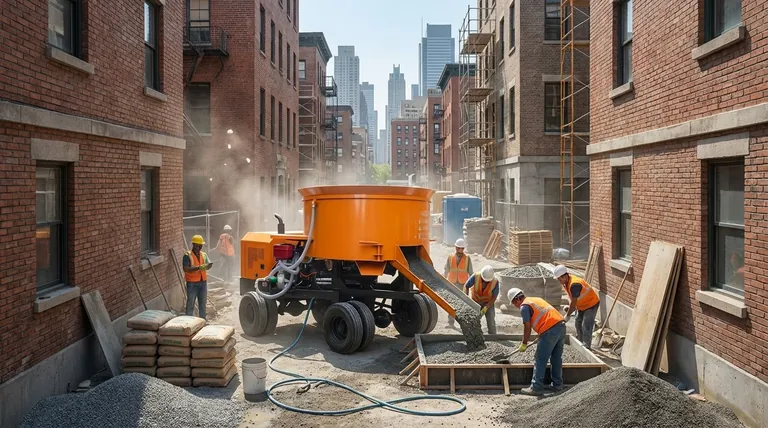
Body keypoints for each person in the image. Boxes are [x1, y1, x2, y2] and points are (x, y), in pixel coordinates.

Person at [508, 287, 566, 395]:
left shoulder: (524, 307)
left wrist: (524, 343)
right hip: (561, 326)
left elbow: (527, 327)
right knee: (556, 358)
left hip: (550, 331)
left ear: (517, 300)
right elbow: (545, 317)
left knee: (540, 358)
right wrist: (541, 334)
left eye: (514, 304)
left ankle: (536, 387)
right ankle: (558, 385)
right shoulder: (534, 300)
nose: (516, 306)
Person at [553, 265, 600, 350]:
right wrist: (570, 307)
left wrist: (567, 315)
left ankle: (586, 347)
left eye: (559, 279)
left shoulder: (575, 284)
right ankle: (580, 342)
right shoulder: (567, 282)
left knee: (586, 325)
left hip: (591, 304)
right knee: (578, 323)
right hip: (582, 305)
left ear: (565, 276)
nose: (559, 281)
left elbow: (574, 302)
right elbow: (573, 299)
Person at [444, 238, 473, 327]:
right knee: (451, 303)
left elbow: (471, 273)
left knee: (463, 303)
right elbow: (446, 270)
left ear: (463, 249)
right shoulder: (450, 257)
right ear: (455, 247)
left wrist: (472, 286)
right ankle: (451, 323)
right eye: (458, 248)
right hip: (452, 283)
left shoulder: (467, 258)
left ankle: (463, 324)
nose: (460, 250)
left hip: (463, 284)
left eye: (462, 248)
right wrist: (444, 281)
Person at [183, 235, 213, 319]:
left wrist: (208, 266)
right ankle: (188, 321)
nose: (198, 247)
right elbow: (186, 268)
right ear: (193, 244)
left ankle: (202, 321)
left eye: (200, 245)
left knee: (203, 304)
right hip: (192, 283)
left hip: (203, 283)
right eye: (196, 245)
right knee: (190, 303)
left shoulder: (204, 255)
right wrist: (199, 267)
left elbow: (208, 264)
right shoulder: (187, 255)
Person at [463, 265, 499, 334]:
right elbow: (466, 286)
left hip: (488, 302)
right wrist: (466, 299)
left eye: (487, 282)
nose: (485, 283)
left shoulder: (495, 282)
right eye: (483, 281)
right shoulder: (476, 276)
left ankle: (492, 334)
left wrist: (486, 307)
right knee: (473, 319)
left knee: (491, 318)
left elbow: (494, 297)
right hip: (475, 301)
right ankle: (473, 334)